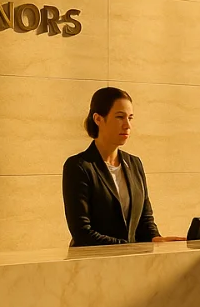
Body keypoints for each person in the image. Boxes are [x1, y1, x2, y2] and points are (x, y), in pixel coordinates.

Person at [62, 87, 184, 246]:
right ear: (98, 119)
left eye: (130, 118)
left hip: (131, 263)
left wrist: (156, 239)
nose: (127, 125)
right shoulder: (79, 166)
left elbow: (145, 221)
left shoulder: (134, 164)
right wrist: (129, 247)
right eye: (120, 117)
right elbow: (82, 232)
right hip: (92, 265)